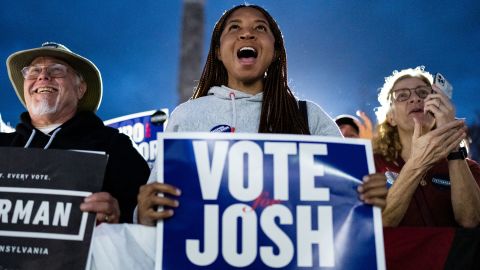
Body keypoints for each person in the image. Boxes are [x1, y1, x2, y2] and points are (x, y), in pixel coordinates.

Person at [136, 4, 387, 225]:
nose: (247, 33)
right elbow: (158, 202)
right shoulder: (186, 116)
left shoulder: (309, 116)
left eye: (260, 28)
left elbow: (343, 204)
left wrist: (366, 195)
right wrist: (144, 213)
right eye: (234, 28)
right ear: (218, 52)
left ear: (276, 51)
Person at [0, 42, 150, 223]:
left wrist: (119, 219)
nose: (43, 76)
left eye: (56, 70)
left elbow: (147, 220)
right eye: (34, 71)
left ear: (80, 89)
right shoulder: (3, 145)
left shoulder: (114, 147)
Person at [373, 66, 480, 227]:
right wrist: (417, 164)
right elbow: (379, 224)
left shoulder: (468, 169)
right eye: (402, 95)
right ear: (391, 117)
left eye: (423, 93)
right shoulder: (372, 165)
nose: (415, 99)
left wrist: (453, 147)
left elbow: (471, 221)